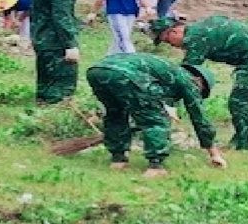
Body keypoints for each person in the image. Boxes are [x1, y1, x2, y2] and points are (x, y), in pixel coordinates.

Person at [152, 15, 248, 151]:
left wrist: (167, 99)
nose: (171, 45)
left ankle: (244, 147)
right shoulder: (200, 29)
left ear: (174, 31)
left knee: (241, 103)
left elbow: (185, 74)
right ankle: (240, 141)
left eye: (167, 40)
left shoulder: (196, 37)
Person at [86, 53, 227, 176]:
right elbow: (199, 117)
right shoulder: (188, 80)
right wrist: (214, 152)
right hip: (127, 74)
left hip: (97, 71)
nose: (198, 93)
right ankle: (155, 166)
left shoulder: (167, 70)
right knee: (155, 121)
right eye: (201, 91)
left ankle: (118, 160)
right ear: (199, 81)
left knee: (115, 113)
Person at [31, 0, 83, 104]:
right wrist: (70, 44)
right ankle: (58, 106)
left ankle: (42, 103)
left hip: (40, 37)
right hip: (56, 41)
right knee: (63, 78)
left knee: (45, 75)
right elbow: (62, 18)